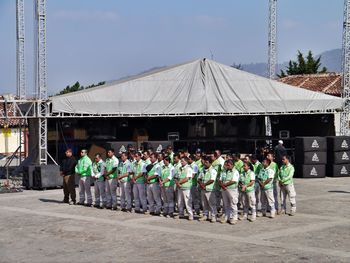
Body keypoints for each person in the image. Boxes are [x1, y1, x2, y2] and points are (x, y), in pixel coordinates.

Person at [218, 160, 240, 224]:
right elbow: (220, 180)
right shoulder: (223, 171)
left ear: (232, 165)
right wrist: (222, 185)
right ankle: (227, 217)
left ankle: (234, 217)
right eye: (226, 165)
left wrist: (224, 185)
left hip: (232, 190)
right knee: (226, 204)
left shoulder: (235, 172)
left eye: (228, 165)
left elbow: (234, 181)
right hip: (224, 189)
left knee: (233, 203)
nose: (227, 166)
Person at [198, 157, 218, 223]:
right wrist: (201, 184)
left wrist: (204, 185)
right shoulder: (203, 169)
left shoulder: (213, 170)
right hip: (203, 189)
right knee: (204, 204)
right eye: (205, 162)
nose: (205, 164)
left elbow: (212, 180)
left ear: (210, 163)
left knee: (212, 204)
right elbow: (199, 178)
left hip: (210, 189)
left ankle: (213, 216)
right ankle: (205, 215)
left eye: (206, 163)